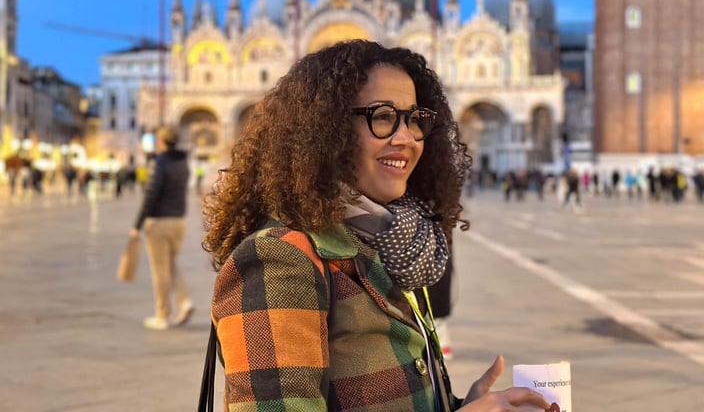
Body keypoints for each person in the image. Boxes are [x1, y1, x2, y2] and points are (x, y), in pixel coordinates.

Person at [203, 40, 550, 411]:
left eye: (415, 119)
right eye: (382, 116)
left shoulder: (390, 240)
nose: (405, 138)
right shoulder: (280, 259)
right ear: (326, 129)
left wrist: (458, 404)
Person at [131, 126, 194, 330]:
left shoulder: (161, 162)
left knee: (160, 269)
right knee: (170, 263)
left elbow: (151, 194)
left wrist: (137, 224)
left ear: (162, 141)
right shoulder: (183, 162)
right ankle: (184, 301)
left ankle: (162, 314)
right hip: (178, 221)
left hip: (160, 221)